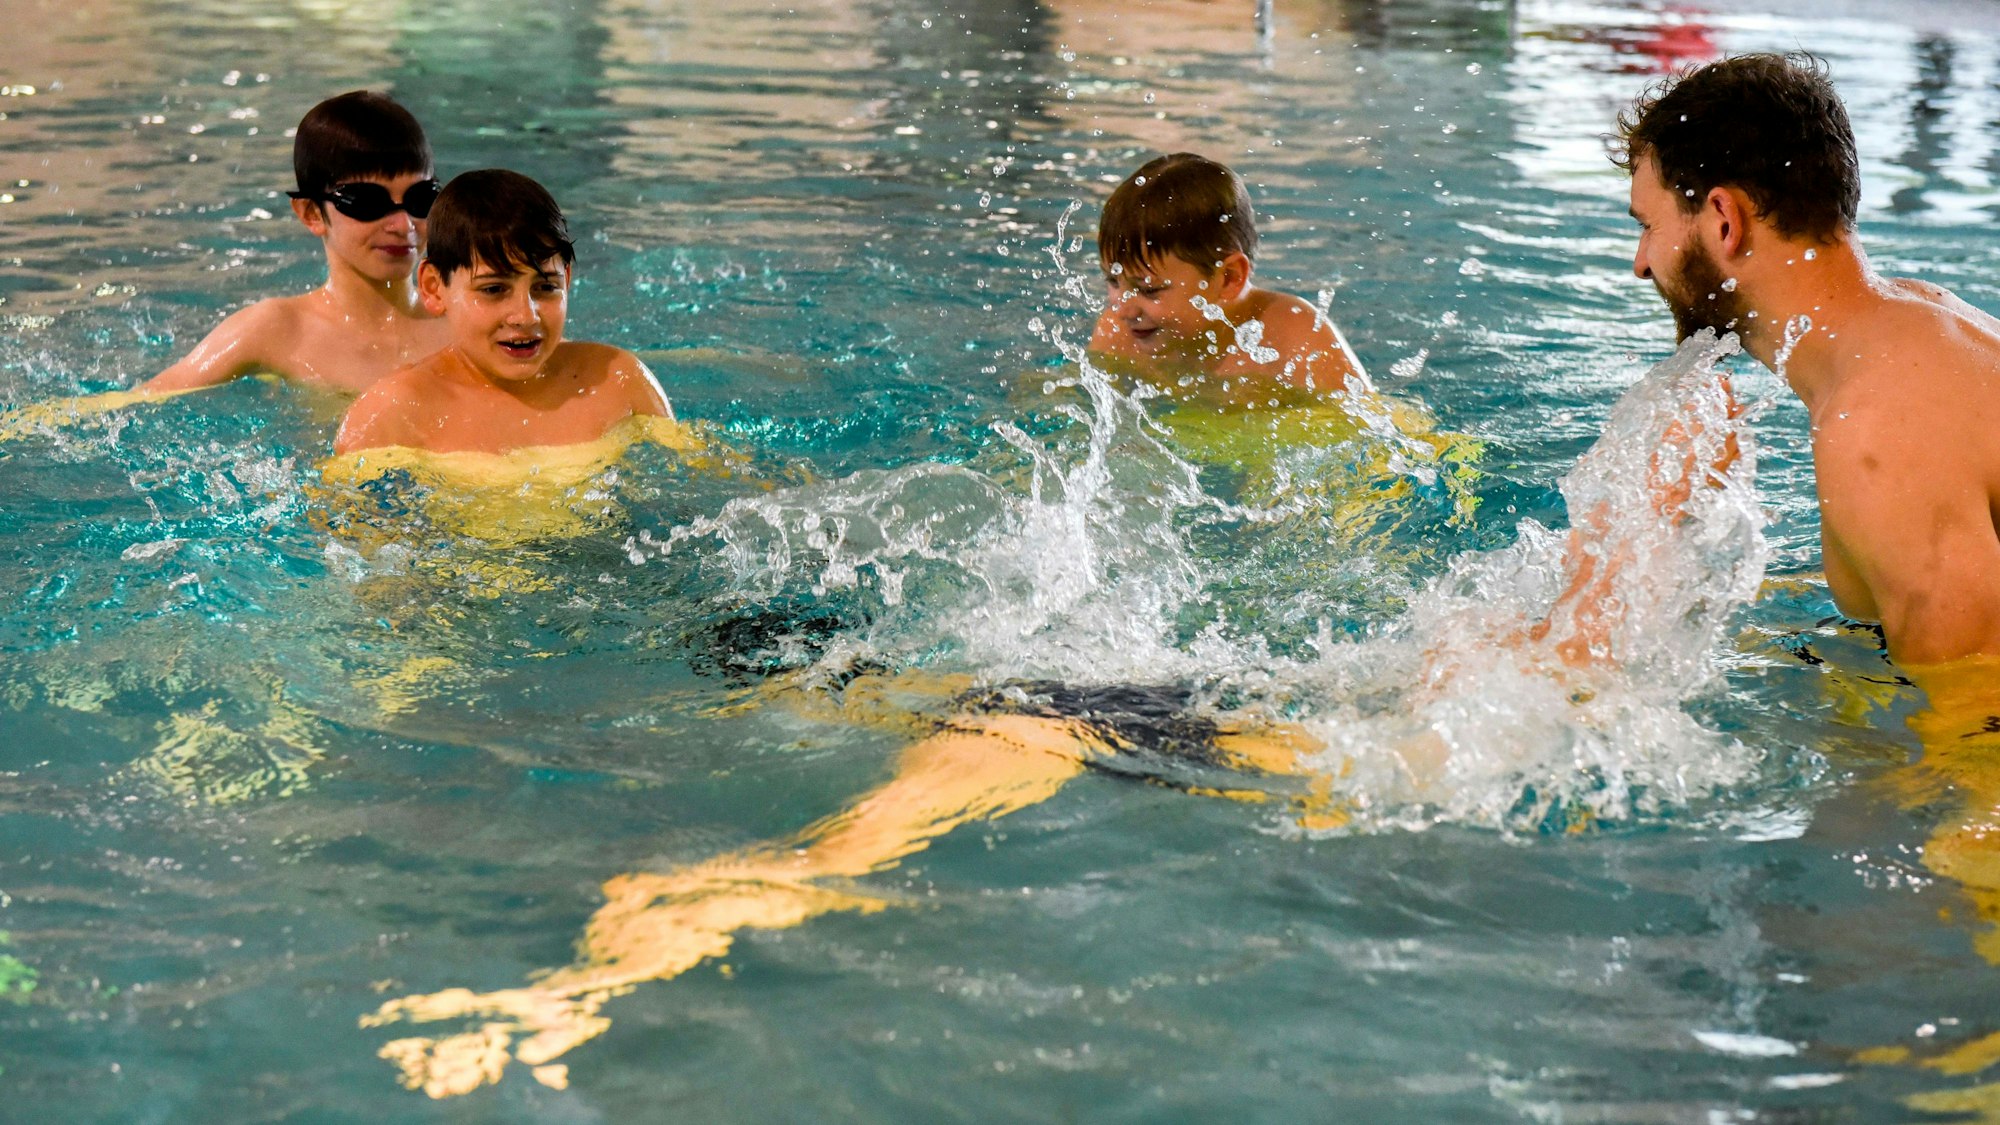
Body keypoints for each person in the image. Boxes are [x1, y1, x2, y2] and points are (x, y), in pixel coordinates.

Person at [1617, 52, 2000, 668]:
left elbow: (1971, 730)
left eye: (1648, 225)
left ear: (1723, 220)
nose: (1640, 262)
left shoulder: (1881, 423)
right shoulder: (1914, 324)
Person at [332, 169, 672, 456]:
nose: (526, 316)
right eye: (494, 289)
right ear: (434, 287)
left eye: (545, 287)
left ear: (566, 280)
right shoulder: (392, 416)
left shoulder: (618, 382)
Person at [144, 90, 451, 395]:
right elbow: (139, 402)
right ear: (311, 213)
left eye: (420, 198)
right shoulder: (278, 330)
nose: (403, 224)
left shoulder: (465, 320)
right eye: (367, 202)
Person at [1088, 152, 1365, 400]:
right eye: (1113, 281)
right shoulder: (1119, 335)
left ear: (1229, 278)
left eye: (1149, 290)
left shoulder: (1297, 340)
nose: (1122, 307)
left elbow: (1373, 432)